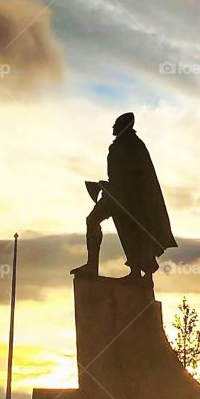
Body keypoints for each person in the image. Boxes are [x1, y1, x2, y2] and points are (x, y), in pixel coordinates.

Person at [70, 113, 177, 281]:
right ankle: (132, 271)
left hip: (125, 199)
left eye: (116, 124)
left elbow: (133, 178)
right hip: (120, 196)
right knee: (124, 230)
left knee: (110, 225)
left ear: (123, 126)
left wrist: (106, 186)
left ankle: (138, 272)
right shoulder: (127, 145)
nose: (112, 127)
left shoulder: (131, 146)